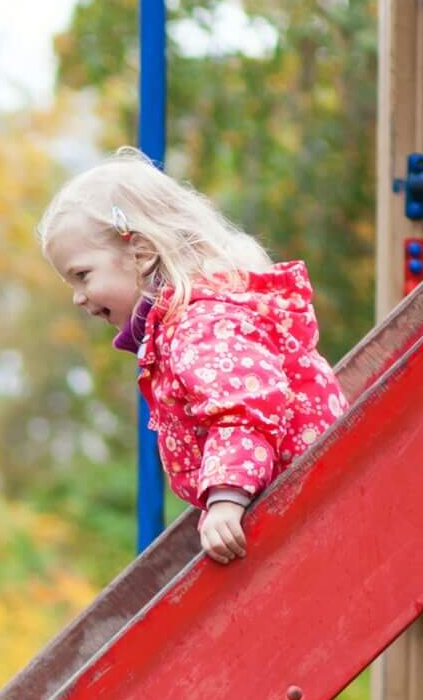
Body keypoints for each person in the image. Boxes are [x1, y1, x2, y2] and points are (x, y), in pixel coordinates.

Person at [38, 147, 348, 565]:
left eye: (82, 275)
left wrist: (226, 498)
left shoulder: (201, 326)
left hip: (309, 490)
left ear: (141, 253)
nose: (77, 298)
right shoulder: (181, 327)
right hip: (295, 486)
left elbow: (243, 410)